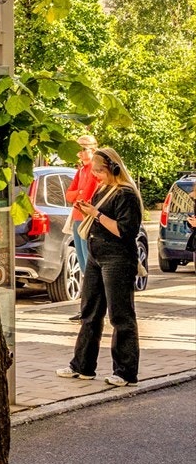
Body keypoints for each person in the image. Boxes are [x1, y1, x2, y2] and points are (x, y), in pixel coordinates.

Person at [57, 145, 142, 387]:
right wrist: (86, 210)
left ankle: (126, 371)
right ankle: (82, 365)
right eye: (93, 170)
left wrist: (95, 214)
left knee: (120, 315)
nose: (95, 175)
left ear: (113, 168)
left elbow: (125, 231)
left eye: (99, 171)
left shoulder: (126, 194)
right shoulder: (103, 189)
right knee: (90, 312)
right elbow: (94, 217)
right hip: (96, 255)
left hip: (117, 258)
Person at [64, 133, 99, 320]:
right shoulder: (81, 170)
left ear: (92, 149)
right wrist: (78, 193)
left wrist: (78, 194)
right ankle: (87, 307)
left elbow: (88, 196)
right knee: (84, 264)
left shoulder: (95, 170)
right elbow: (69, 195)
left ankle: (91, 308)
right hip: (78, 218)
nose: (79, 152)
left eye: (83, 148)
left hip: (87, 219)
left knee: (89, 264)